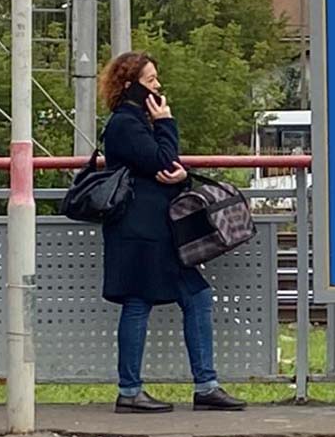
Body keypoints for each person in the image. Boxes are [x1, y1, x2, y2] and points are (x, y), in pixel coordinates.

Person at [99, 51, 246, 414]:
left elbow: (168, 165)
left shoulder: (135, 122)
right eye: (151, 80)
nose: (158, 86)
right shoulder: (125, 124)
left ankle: (204, 385)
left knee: (195, 297)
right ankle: (131, 389)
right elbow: (162, 160)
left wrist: (179, 172)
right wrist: (166, 122)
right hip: (140, 232)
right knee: (139, 302)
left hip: (154, 231)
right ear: (131, 85)